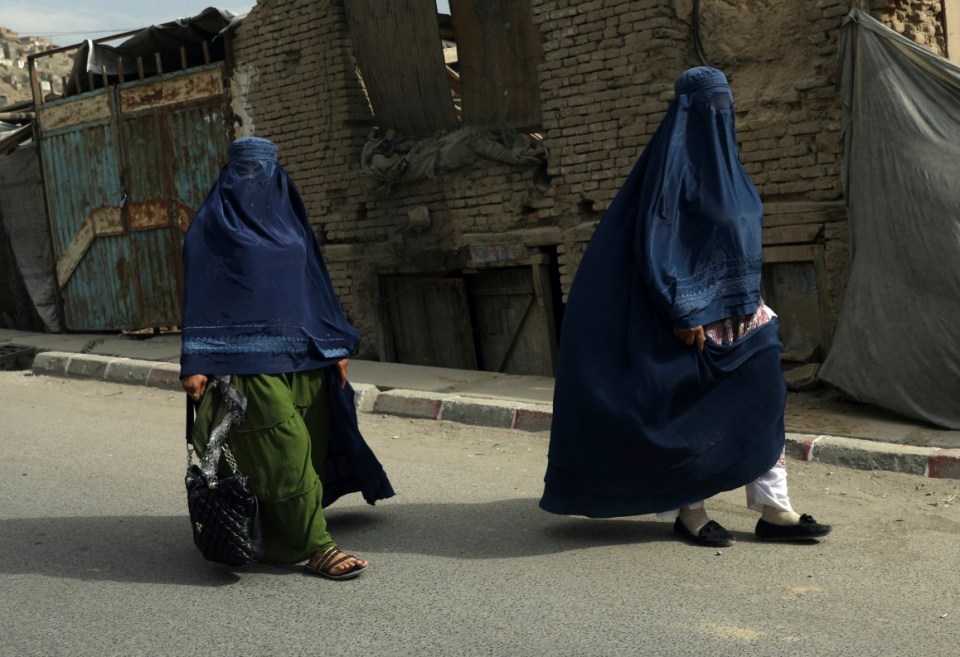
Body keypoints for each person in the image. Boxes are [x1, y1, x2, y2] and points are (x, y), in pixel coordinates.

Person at [539, 67, 830, 547]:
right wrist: (686, 308)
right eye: (712, 103)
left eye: (726, 103)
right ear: (688, 108)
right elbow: (659, 238)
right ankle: (690, 510)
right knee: (689, 416)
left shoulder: (729, 169)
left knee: (766, 397)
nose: (721, 113)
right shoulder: (671, 172)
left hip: (743, 312)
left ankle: (774, 509)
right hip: (687, 317)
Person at [179, 136, 394, 578]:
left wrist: (334, 346)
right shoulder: (210, 227)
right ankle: (318, 547)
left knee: (303, 454)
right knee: (285, 450)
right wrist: (196, 359)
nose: (252, 178)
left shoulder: (292, 224)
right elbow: (200, 294)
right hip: (242, 363)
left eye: (262, 168)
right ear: (230, 170)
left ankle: (281, 530)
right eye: (244, 168)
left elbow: (314, 285)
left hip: (304, 357)